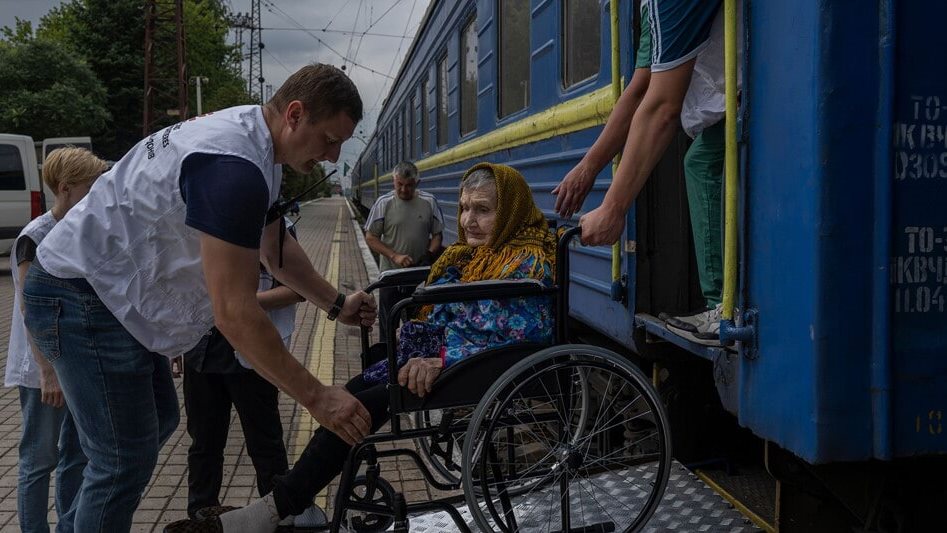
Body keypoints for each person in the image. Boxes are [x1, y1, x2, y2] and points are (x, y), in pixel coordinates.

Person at [21, 63, 377, 532]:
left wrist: (336, 303)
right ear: (295, 114)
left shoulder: (255, 147)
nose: (333, 156)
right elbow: (234, 314)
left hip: (105, 296)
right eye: (330, 139)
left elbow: (276, 251)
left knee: (155, 425)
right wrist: (319, 398)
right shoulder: (232, 166)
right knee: (122, 459)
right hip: (82, 294)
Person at [165, 162, 557, 533]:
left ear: (510, 210)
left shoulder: (527, 262)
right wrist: (421, 346)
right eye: (466, 207)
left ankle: (277, 506)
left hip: (475, 365)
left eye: (483, 210)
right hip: (441, 359)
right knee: (350, 397)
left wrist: (435, 357)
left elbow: (510, 332)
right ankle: (284, 503)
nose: (469, 220)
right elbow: (439, 315)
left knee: (360, 405)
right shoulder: (471, 256)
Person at [554, 0, 736, 344]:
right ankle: (722, 306)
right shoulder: (652, 9)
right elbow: (639, 90)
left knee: (702, 165)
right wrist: (589, 166)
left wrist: (613, 208)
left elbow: (662, 108)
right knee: (699, 161)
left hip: (738, 99)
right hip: (726, 102)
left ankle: (724, 310)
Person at [4, 147, 104, 533]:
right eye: (90, 186)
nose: (96, 194)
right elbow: (32, 312)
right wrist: (47, 372)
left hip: (75, 363)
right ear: (65, 188)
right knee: (38, 459)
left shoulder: (82, 228)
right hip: (43, 368)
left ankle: (69, 526)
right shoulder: (36, 236)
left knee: (77, 457)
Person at [183, 222, 302, 520]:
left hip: (253, 353)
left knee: (265, 444)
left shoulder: (275, 227)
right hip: (202, 352)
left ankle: (280, 515)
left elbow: (297, 289)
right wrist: (177, 340)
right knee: (203, 444)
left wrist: (243, 304)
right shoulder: (199, 223)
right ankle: (200, 516)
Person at [364, 161, 445, 340]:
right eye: (399, 184)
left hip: (418, 278)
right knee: (388, 327)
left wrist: (429, 255)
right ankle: (388, 359)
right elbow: (370, 237)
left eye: (408, 185)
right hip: (390, 277)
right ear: (394, 181)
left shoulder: (428, 202)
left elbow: (437, 235)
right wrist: (394, 255)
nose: (403, 190)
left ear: (417, 183)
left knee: (417, 326)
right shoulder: (383, 203)